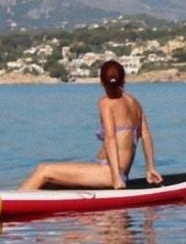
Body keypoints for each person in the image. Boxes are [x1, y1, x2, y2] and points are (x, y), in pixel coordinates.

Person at [20, 60, 162, 190]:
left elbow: (110, 139)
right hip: (110, 170)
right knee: (50, 183)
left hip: (109, 172)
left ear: (101, 82)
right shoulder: (134, 102)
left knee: (44, 170)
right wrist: (151, 168)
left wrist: (116, 178)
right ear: (123, 80)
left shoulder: (106, 103)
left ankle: (13, 204)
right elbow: (146, 135)